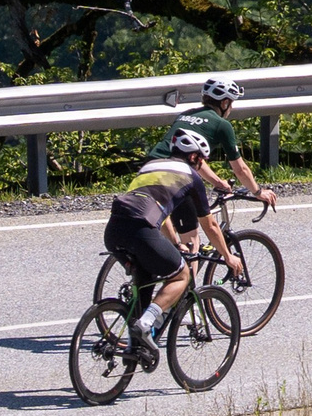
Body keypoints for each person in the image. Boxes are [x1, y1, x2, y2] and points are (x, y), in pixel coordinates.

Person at [104, 129, 238, 365]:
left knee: (144, 279)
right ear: (195, 158)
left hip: (113, 229)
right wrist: (228, 256)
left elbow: (163, 213)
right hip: (140, 230)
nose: (202, 165)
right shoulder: (191, 176)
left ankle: (135, 350)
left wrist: (176, 244)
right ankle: (146, 324)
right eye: (202, 160)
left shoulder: (151, 166)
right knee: (181, 276)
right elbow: (211, 226)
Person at [163, 76, 279, 212]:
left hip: (151, 165)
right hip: (175, 173)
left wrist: (218, 182)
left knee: (164, 223)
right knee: (198, 225)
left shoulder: (184, 115)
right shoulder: (221, 125)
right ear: (224, 103)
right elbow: (240, 170)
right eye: (231, 103)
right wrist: (258, 192)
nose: (231, 108)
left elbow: (192, 158)